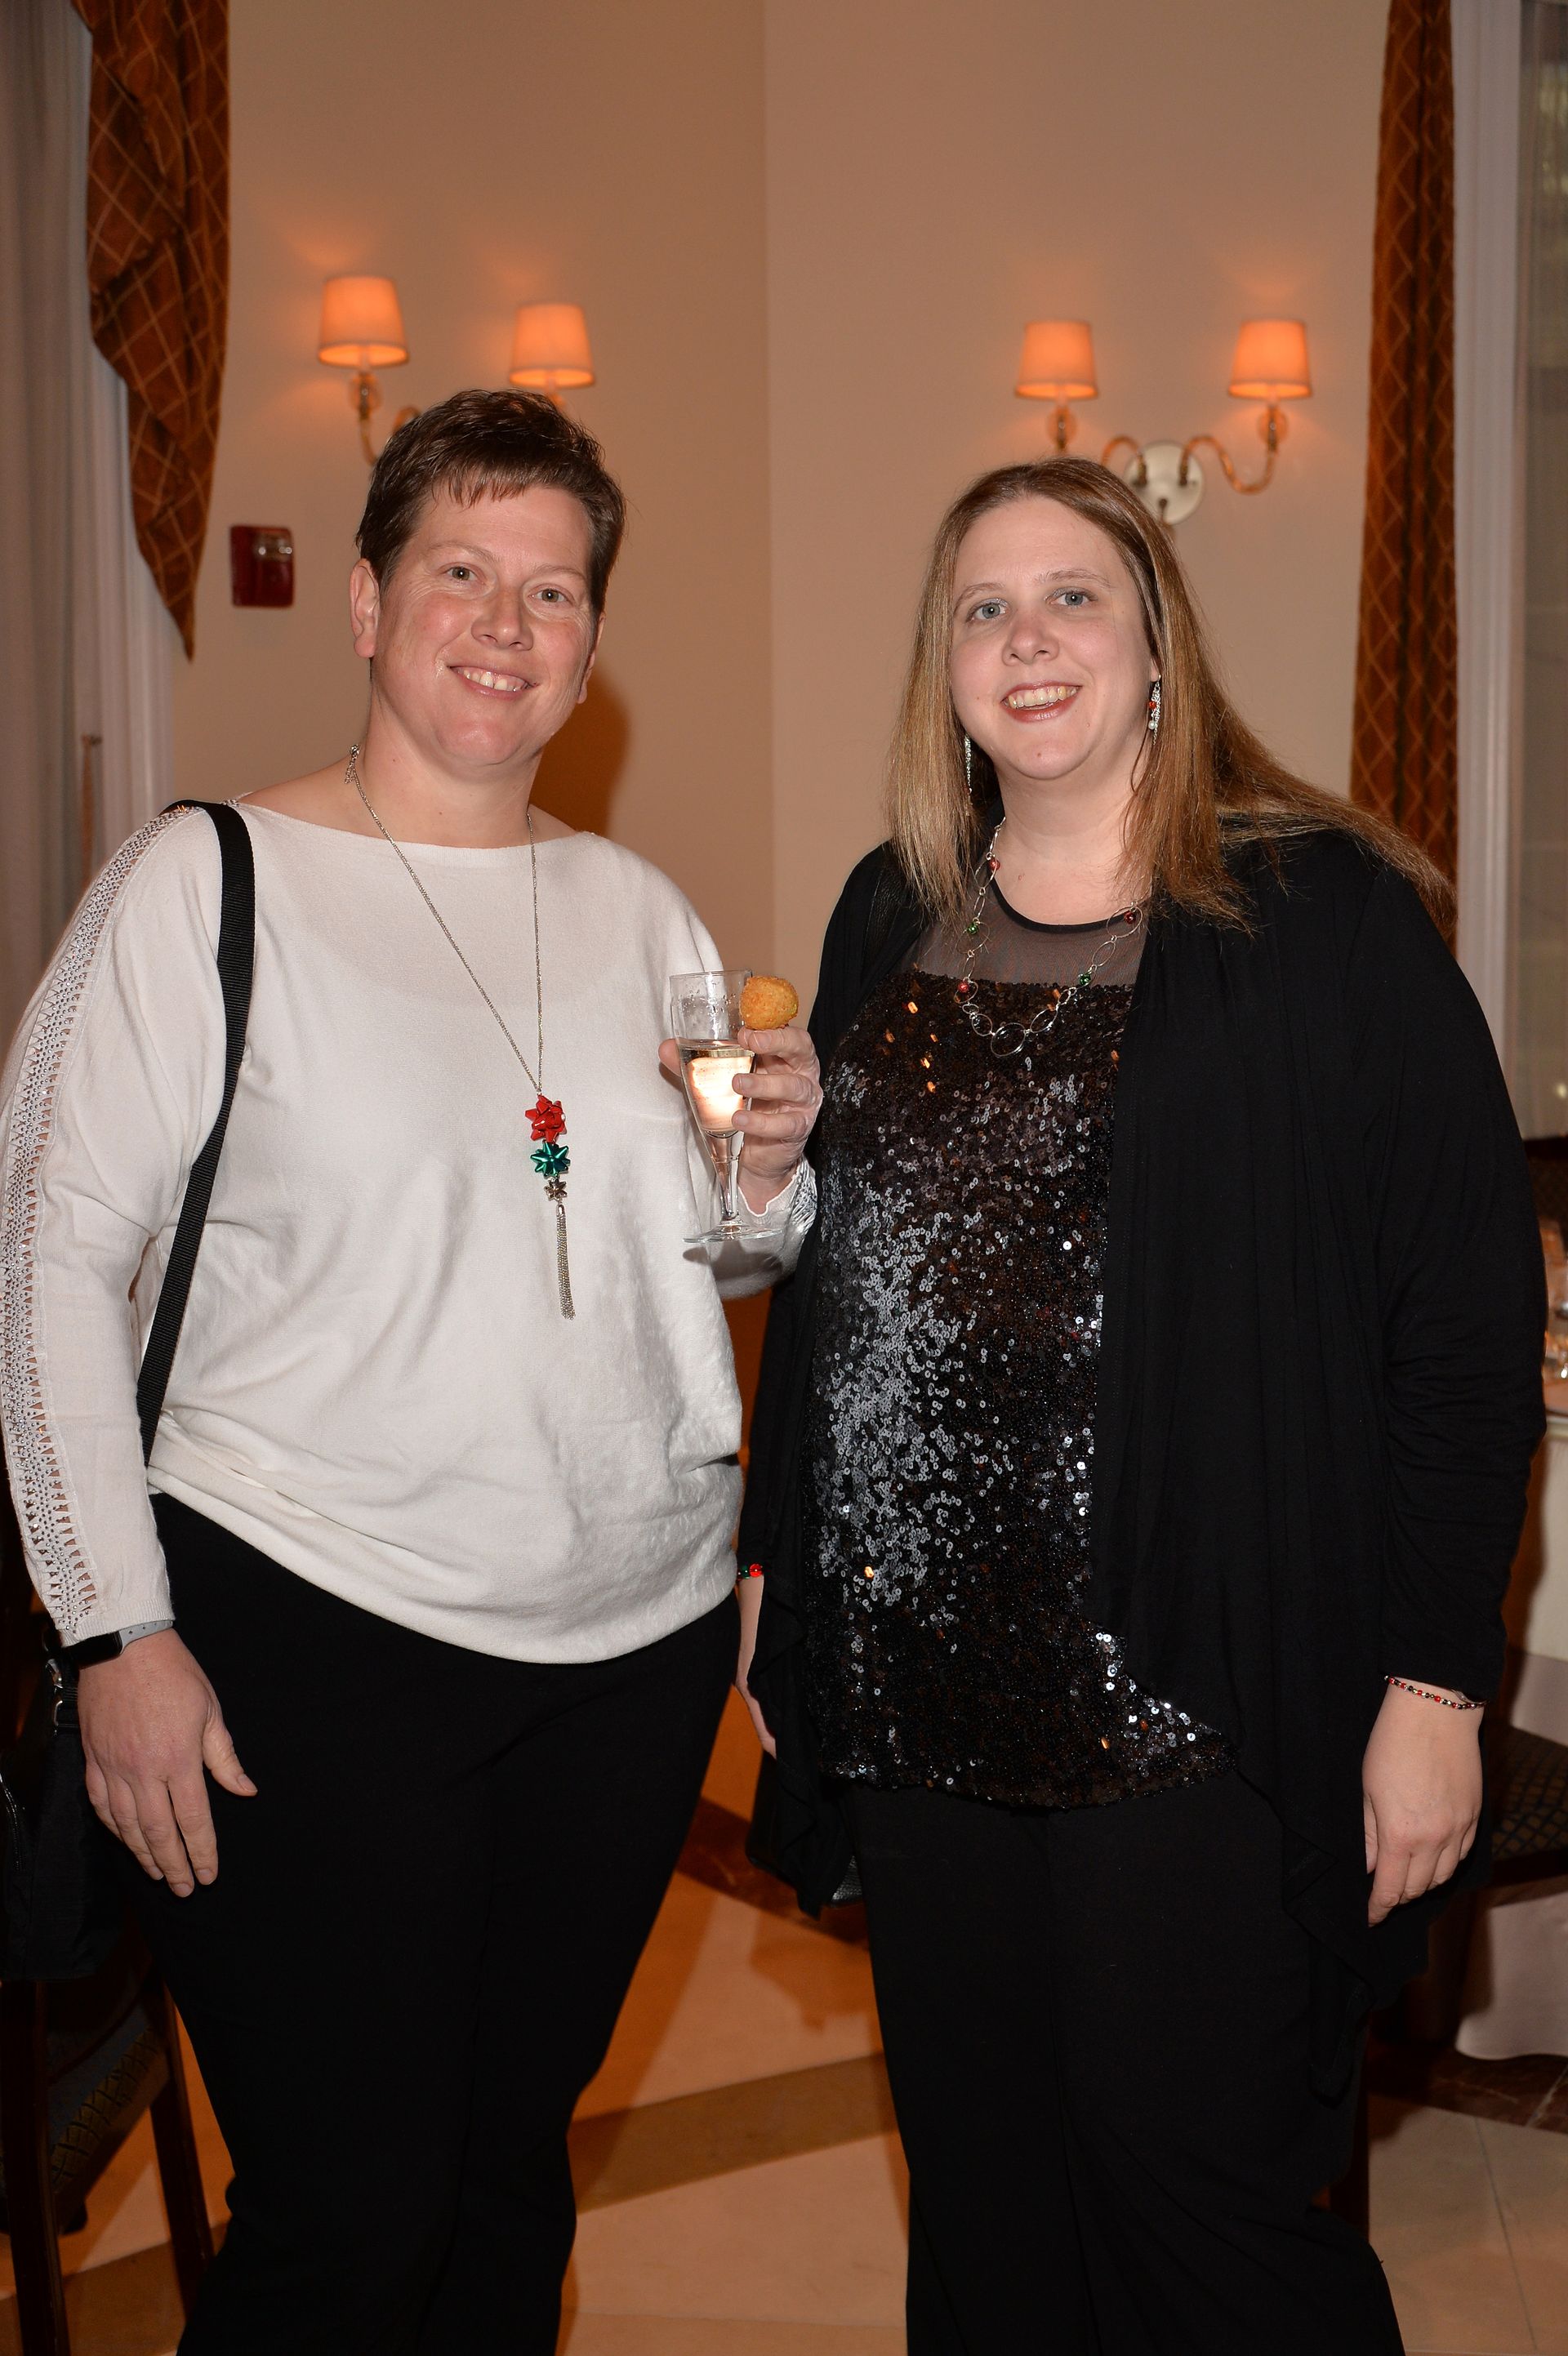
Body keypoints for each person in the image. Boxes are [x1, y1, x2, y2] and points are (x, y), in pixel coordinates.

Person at [0, 388, 820, 2354]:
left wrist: (767, 1177)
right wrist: (115, 1630)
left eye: (554, 589)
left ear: (592, 647)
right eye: (461, 569)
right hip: (311, 1631)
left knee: (505, 2186)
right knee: (349, 2221)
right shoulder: (207, 883)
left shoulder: (638, 911)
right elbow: (46, 1264)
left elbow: (692, 1253)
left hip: (626, 1660)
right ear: (368, 605)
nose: (505, 623)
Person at [735, 456, 1545, 2354]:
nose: (1028, 641)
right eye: (984, 609)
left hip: (1194, 1693)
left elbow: (1463, 1325)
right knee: (988, 2209)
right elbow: (847, 1285)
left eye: (1073, 596)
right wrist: (782, 1564)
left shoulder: (1319, 919)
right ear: (944, 671)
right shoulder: (889, 911)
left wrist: (1437, 1689)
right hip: (923, 1690)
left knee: (1208, 2226)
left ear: (1159, 645)